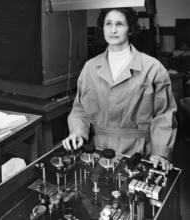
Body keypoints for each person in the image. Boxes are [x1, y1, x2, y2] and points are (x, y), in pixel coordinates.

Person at [62, 7, 177, 173]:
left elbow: (164, 116)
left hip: (139, 153)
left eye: (120, 24)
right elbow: (80, 109)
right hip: (99, 151)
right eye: (108, 24)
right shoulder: (91, 67)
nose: (113, 30)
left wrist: (159, 152)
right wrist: (78, 133)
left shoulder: (153, 68)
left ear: (130, 29)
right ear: (102, 28)